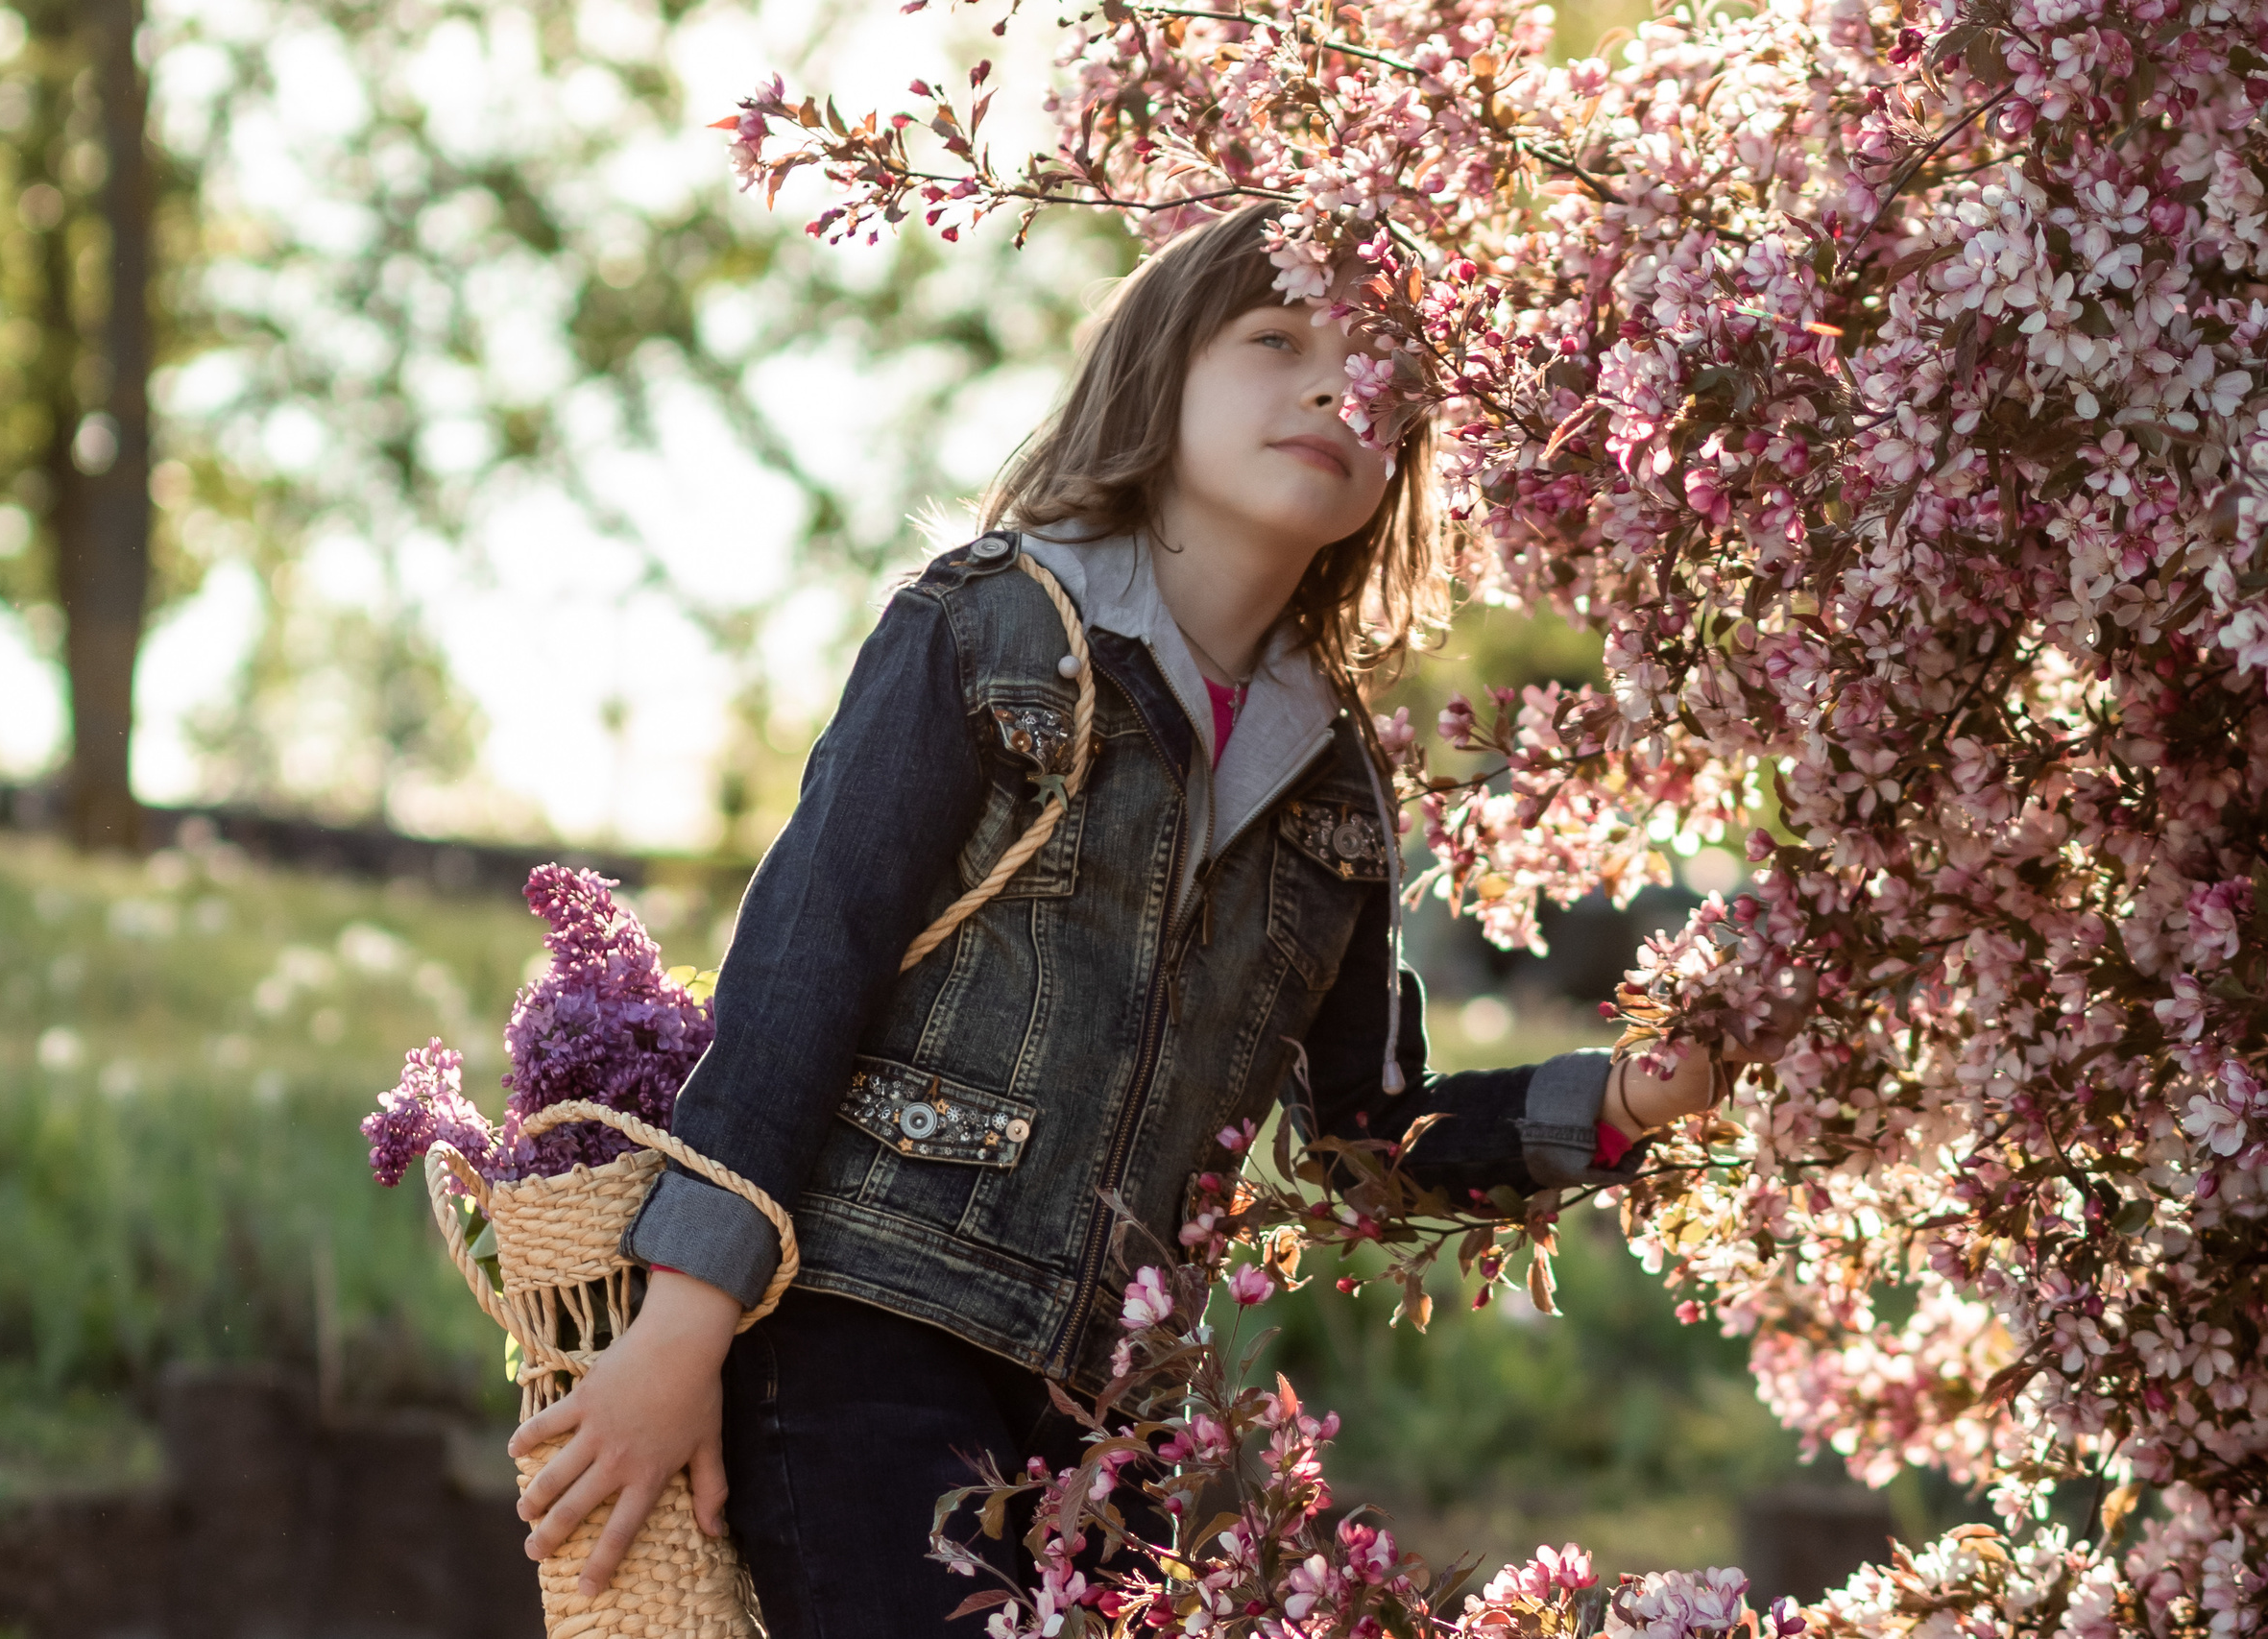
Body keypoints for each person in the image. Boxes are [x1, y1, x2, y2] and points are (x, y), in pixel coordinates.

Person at [507, 204, 1803, 1635]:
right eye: (1277, 339)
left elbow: (1369, 1130)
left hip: (1116, 1421)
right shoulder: (987, 628)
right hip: (865, 1329)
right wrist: (678, 1333)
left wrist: (1621, 1098)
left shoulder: (1339, 783)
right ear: (1159, 373)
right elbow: (802, 977)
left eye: (1379, 368)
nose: (1336, 386)